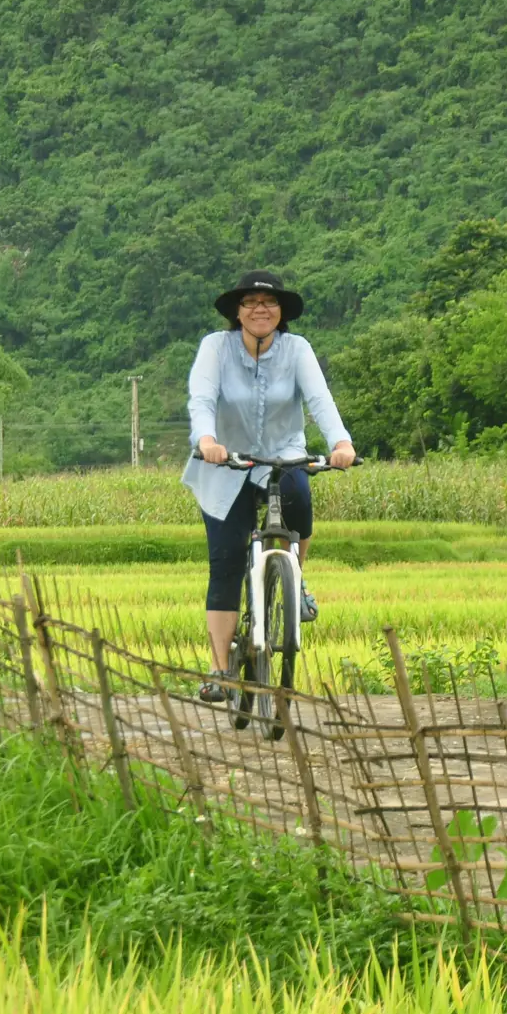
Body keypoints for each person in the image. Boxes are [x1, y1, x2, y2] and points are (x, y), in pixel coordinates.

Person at [184, 269, 356, 702]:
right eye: (250, 302)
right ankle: (221, 668)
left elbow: (320, 399)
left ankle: (295, 581)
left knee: (299, 495)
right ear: (237, 313)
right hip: (227, 462)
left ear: (281, 312)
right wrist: (207, 440)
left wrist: (341, 442)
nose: (261, 309)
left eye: (269, 302)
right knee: (225, 564)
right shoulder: (215, 348)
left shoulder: (297, 349)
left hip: (282, 454)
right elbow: (202, 398)